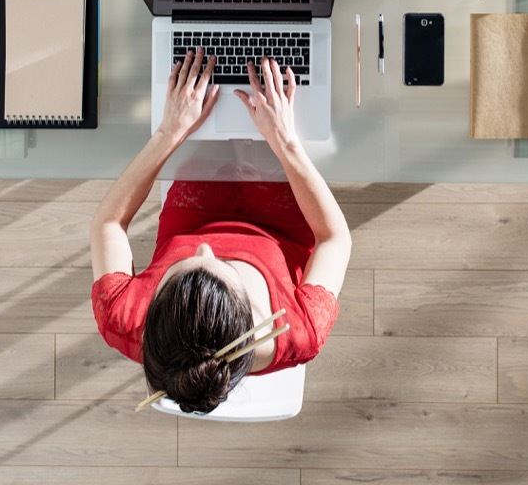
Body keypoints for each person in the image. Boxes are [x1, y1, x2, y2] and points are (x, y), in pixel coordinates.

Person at [89, 48, 352, 414]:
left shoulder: (126, 320)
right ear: (251, 319)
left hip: (198, 186)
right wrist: (285, 140)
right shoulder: (299, 332)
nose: (204, 250)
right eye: (224, 268)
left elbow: (108, 224)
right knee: (324, 104)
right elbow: (334, 238)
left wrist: (171, 131)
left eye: (178, 272)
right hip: (285, 199)